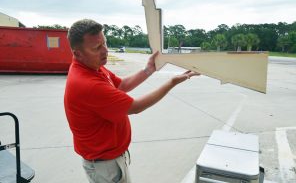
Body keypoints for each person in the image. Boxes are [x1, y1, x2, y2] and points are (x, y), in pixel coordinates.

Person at [64, 19, 199, 183]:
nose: (105, 50)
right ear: (77, 53)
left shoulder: (93, 67)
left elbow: (121, 84)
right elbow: (135, 107)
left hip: (110, 160)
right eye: (96, 48)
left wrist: (148, 70)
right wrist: (171, 83)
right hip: (105, 166)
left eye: (104, 43)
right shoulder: (87, 84)